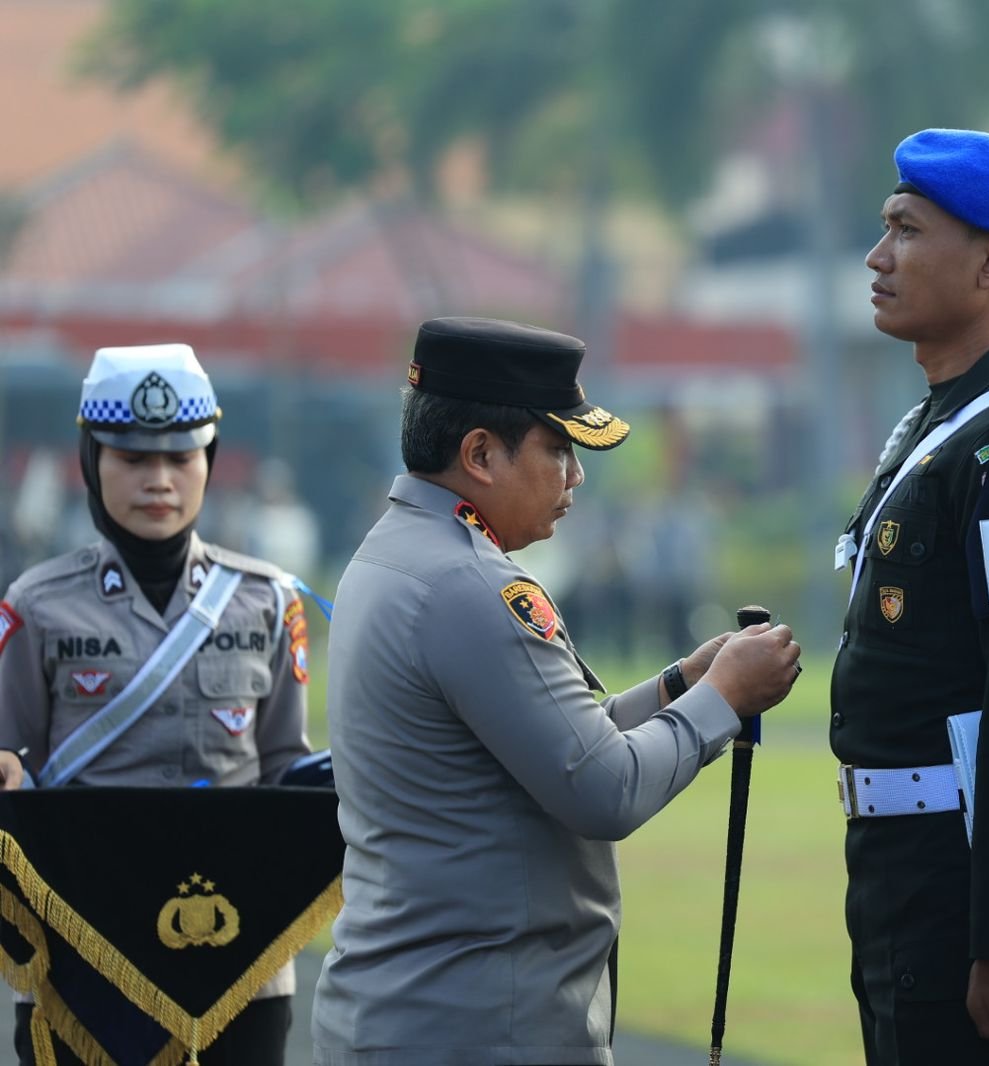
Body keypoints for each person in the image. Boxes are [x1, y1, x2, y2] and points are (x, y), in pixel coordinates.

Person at [311, 317, 801, 1066]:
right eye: (559, 449)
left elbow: (557, 741)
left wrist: (681, 685)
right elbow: (602, 788)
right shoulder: (469, 582)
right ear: (479, 453)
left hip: (418, 1012)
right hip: (480, 1027)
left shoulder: (401, 552)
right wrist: (724, 702)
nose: (574, 477)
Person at [830, 128, 989, 1065]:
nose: (877, 255)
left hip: (960, 875)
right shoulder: (940, 424)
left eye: (906, 230)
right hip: (904, 867)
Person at [0, 343, 313, 1065]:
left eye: (181, 457)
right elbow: (13, 768)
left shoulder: (267, 601)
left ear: (210, 460)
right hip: (83, 959)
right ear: (90, 461)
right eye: (133, 459)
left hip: (239, 963)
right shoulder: (37, 607)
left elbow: (284, 768)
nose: (160, 480)